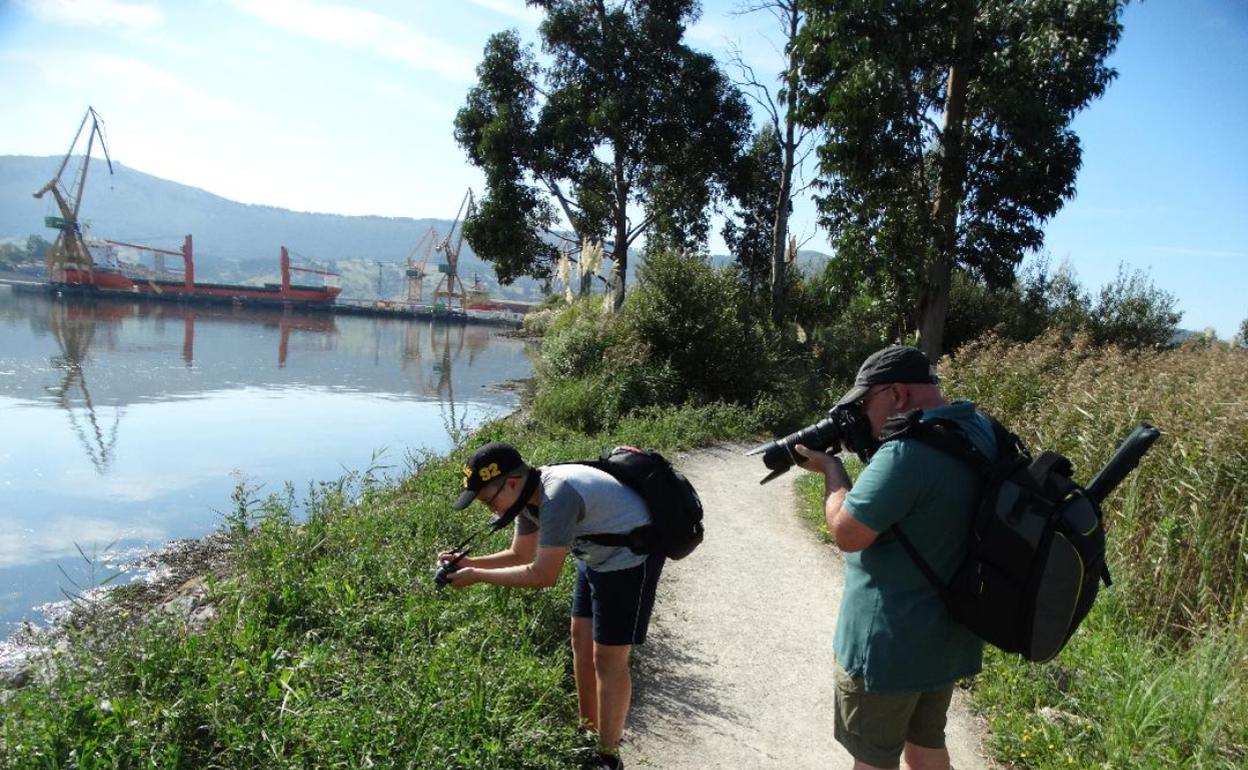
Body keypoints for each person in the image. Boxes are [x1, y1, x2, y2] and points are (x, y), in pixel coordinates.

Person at [794, 345, 995, 770]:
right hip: (946, 635)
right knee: (924, 748)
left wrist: (832, 470)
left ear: (898, 394)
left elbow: (848, 532)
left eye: (865, 403)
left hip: (889, 647)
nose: (862, 416)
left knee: (872, 759)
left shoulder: (906, 453)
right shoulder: (979, 430)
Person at [439, 441, 664, 770]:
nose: (491, 510)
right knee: (580, 640)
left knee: (609, 658)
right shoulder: (527, 498)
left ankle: (608, 756)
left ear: (512, 482)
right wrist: (469, 562)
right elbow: (520, 555)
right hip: (594, 553)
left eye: (489, 500)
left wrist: (478, 577)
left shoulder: (557, 496)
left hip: (630, 558)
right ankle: (588, 730)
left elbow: (543, 574)